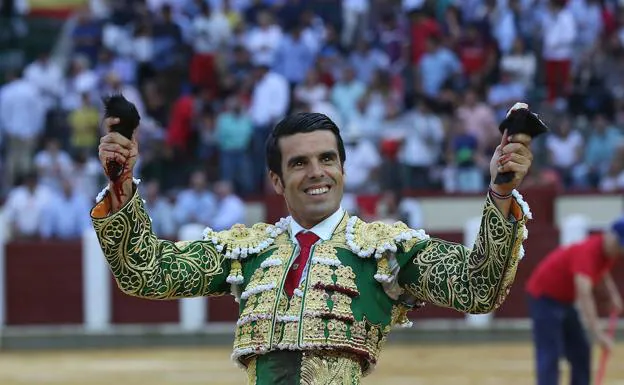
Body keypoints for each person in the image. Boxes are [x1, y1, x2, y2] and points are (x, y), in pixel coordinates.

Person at [91, 104, 535, 384]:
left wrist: (498, 196)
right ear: (276, 179)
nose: (317, 172)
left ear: (343, 168)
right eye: (299, 163)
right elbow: (146, 273)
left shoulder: (384, 249)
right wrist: (121, 185)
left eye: (327, 159)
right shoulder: (248, 250)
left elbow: (478, 288)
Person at [525, 218, 624, 385]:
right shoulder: (588, 251)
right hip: (544, 297)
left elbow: (601, 271)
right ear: (610, 236)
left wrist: (612, 295)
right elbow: (584, 292)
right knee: (551, 352)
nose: (620, 251)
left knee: (580, 350)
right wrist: (597, 332)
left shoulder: (607, 252)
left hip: (564, 300)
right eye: (620, 245)